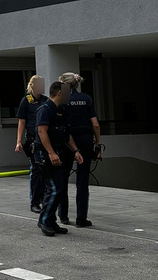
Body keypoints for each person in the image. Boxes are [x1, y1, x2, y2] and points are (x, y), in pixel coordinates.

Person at [34, 81, 84, 237]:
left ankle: (50, 220)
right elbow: (42, 132)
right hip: (45, 153)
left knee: (60, 188)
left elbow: (66, 134)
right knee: (54, 188)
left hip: (58, 151)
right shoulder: (45, 110)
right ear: (60, 93)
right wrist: (51, 153)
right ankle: (45, 221)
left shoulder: (61, 110)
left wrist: (75, 150)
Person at [57, 72, 102, 228]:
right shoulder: (86, 98)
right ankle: (81, 218)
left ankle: (63, 215)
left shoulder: (62, 100)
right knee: (82, 180)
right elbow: (95, 124)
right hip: (85, 140)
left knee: (63, 177)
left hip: (67, 141)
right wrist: (97, 143)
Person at [15, 75, 48, 214]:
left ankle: (44, 199)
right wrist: (18, 141)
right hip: (33, 139)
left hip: (45, 138)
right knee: (36, 170)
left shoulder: (45, 100)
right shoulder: (27, 100)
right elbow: (21, 122)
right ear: (32, 85)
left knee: (45, 171)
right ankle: (35, 202)